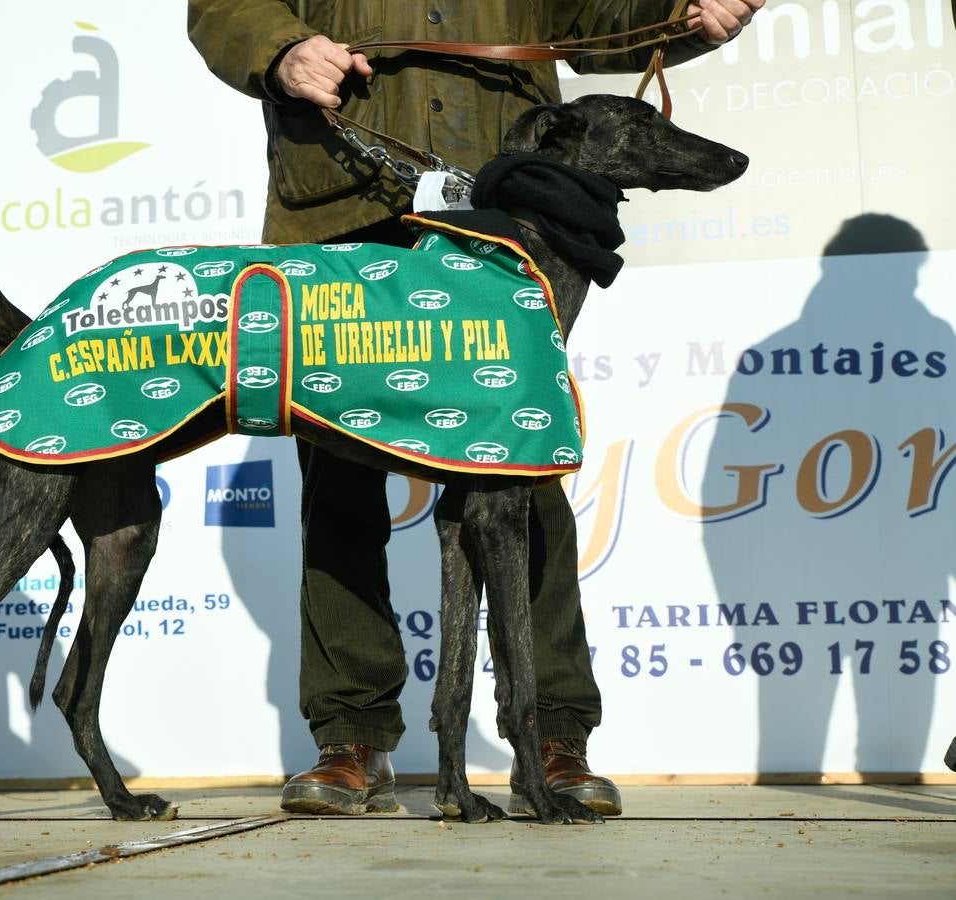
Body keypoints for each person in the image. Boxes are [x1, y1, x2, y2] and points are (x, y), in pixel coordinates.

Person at [188, 0, 763, 816]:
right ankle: (352, 736)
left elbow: (595, 13)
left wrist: (677, 12)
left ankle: (553, 733)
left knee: (522, 473)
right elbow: (225, 5)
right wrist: (279, 50)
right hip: (343, 195)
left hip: (497, 194)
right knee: (339, 483)